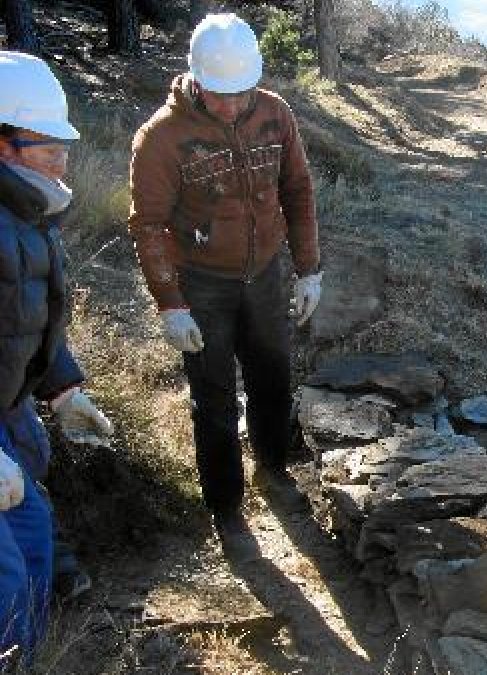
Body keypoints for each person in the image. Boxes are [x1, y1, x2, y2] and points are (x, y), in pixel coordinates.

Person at [127, 14, 321, 550]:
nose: (233, 106)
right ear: (195, 79)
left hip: (264, 272)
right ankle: (226, 509)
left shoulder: (275, 114)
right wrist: (171, 304)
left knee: (273, 375)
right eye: (220, 95)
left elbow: (298, 190)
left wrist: (309, 270)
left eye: (242, 93)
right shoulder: (162, 138)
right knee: (213, 397)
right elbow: (149, 224)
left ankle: (274, 470)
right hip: (202, 283)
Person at [0, 51, 114, 663]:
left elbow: (28, 317)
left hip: (11, 404)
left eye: (63, 143)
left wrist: (64, 390)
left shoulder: (28, 213)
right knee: (6, 583)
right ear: (3, 146)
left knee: (36, 546)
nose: (62, 158)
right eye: (45, 146)